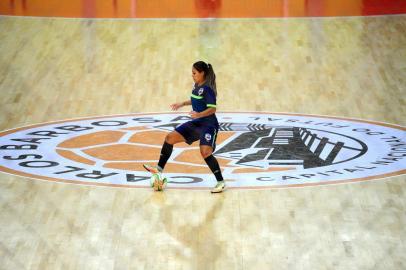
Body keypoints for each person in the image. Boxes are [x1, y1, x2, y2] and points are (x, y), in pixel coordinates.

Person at [143, 61, 225, 193]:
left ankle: (220, 182)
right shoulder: (197, 85)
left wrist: (198, 115)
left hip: (208, 125)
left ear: (202, 73)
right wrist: (182, 103)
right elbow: (194, 99)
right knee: (170, 138)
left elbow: (213, 109)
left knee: (205, 153)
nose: (192, 75)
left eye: (194, 73)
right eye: (192, 73)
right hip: (197, 123)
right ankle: (158, 170)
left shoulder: (208, 89)